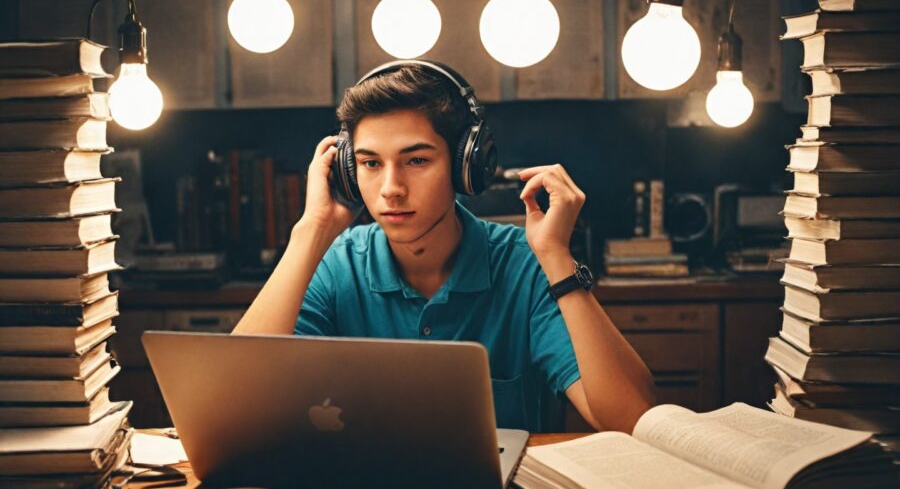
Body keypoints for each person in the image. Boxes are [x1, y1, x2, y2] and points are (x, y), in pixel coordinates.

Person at [233, 61, 655, 433]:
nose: (391, 190)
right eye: (370, 164)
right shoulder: (335, 265)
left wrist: (558, 258)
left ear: (463, 167)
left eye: (416, 161)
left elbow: (631, 417)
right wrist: (311, 231)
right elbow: (238, 403)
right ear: (347, 173)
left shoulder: (525, 265)